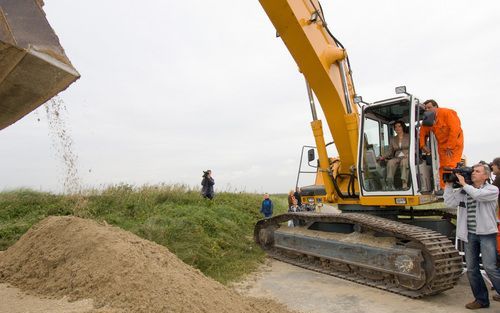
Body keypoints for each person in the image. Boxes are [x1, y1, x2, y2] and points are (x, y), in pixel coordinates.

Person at [443, 163, 500, 309]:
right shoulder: (464, 191)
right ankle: (481, 300)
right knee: (472, 269)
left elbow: (478, 195)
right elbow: (449, 202)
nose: (473, 173)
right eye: (473, 171)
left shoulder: (492, 189)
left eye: (477, 171)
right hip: (469, 235)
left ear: (486, 175)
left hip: (486, 234)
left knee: (490, 268)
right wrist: (449, 185)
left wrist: (463, 184)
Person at [419, 99, 464, 190]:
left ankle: (455, 187)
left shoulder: (447, 113)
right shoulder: (428, 119)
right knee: (443, 166)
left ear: (436, 107)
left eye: (429, 107)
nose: (427, 110)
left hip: (454, 144)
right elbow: (422, 132)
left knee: (451, 165)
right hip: (442, 145)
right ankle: (444, 188)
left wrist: (450, 146)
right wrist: (423, 145)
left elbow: (454, 130)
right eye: (426, 109)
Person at [379, 120, 410, 190]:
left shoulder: (409, 136)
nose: (397, 128)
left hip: (407, 156)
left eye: (399, 126)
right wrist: (382, 157)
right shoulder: (393, 139)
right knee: (390, 162)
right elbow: (390, 152)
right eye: (395, 127)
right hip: (397, 157)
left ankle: (404, 184)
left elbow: (415, 147)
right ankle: (390, 183)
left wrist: (409, 155)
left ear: (403, 127)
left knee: (404, 162)